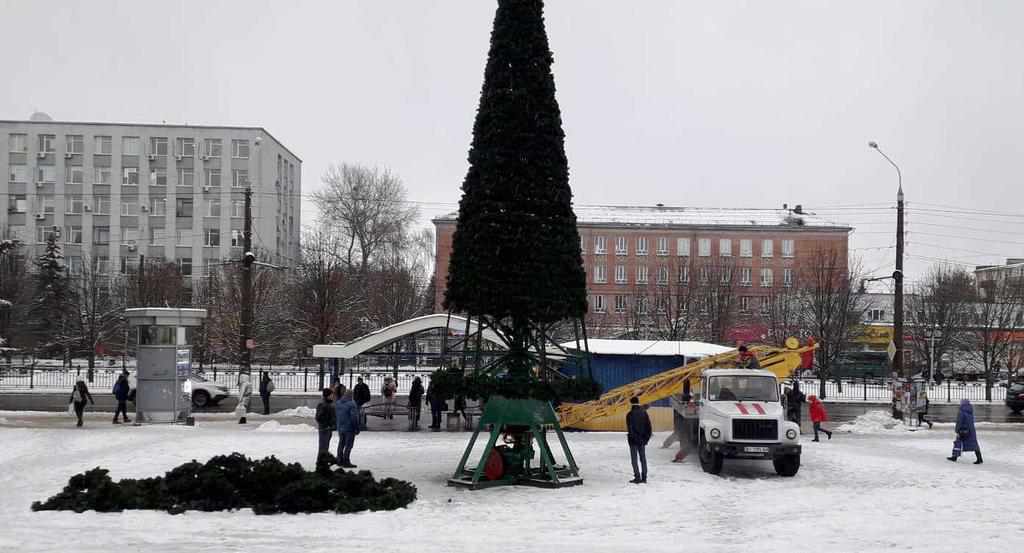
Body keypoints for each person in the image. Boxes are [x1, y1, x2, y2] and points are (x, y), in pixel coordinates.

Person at [626, 396, 652, 484]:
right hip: (642, 440)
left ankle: (637, 477)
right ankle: (644, 477)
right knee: (643, 459)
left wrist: (634, 438)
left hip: (633, 441)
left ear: (631, 403)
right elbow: (649, 428)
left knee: (634, 459)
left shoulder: (629, 414)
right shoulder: (644, 413)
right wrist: (646, 439)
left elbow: (630, 429)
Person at [948, 399, 982, 464]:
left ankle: (954, 457)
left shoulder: (961, 412)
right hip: (971, 430)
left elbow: (959, 422)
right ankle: (979, 458)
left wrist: (957, 430)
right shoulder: (970, 411)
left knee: (958, 443)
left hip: (963, 430)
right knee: (974, 444)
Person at [335, 390, 360, 468]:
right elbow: (354, 417)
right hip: (349, 428)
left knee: (341, 444)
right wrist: (356, 428)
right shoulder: (352, 404)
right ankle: (346, 461)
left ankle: (339, 460)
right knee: (349, 445)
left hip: (340, 427)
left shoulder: (338, 403)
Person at [315, 387, 336, 467]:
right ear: (327, 395)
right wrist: (327, 424)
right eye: (331, 395)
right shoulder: (323, 405)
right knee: (323, 448)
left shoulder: (329, 404)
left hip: (328, 429)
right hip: (324, 429)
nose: (332, 396)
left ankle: (323, 463)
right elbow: (318, 417)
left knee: (325, 447)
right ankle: (320, 464)